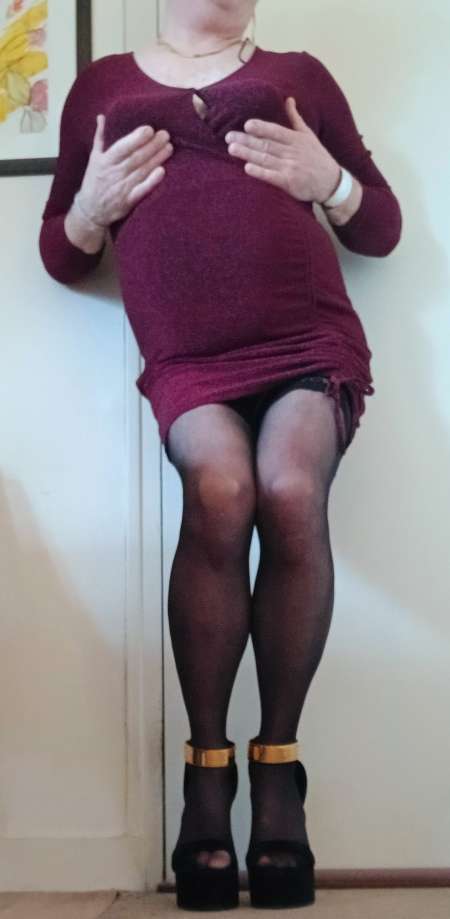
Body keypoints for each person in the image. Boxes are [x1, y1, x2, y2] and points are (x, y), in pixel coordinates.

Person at [39, 0, 402, 910]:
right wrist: (89, 209)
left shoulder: (298, 75)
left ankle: (277, 769)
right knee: (221, 487)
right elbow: (60, 254)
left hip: (306, 339)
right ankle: (208, 770)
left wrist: (330, 181)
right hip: (189, 360)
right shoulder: (102, 87)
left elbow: (380, 226)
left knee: (288, 489)